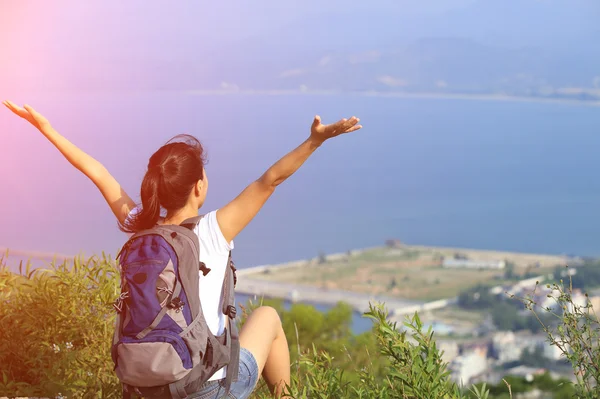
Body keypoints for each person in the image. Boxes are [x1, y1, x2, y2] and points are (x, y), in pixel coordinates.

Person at [3, 100, 362, 398]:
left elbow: (97, 173)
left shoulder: (140, 227)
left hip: (147, 386)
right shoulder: (214, 230)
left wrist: (46, 129)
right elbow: (270, 180)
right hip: (202, 389)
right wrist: (316, 140)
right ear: (198, 187)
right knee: (267, 317)